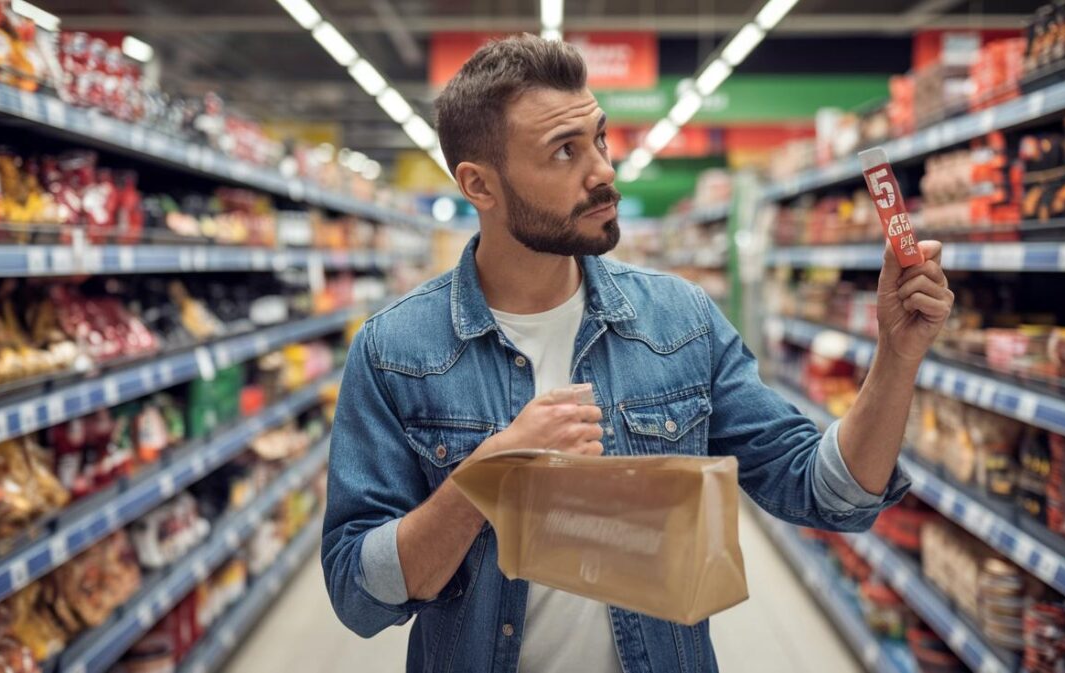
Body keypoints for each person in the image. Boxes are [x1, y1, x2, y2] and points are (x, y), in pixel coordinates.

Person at [322, 34, 953, 673]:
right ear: (479, 186)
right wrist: (485, 479)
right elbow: (357, 594)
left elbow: (827, 492)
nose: (603, 172)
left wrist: (896, 357)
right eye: (564, 152)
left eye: (599, 138)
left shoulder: (680, 322)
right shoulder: (394, 351)